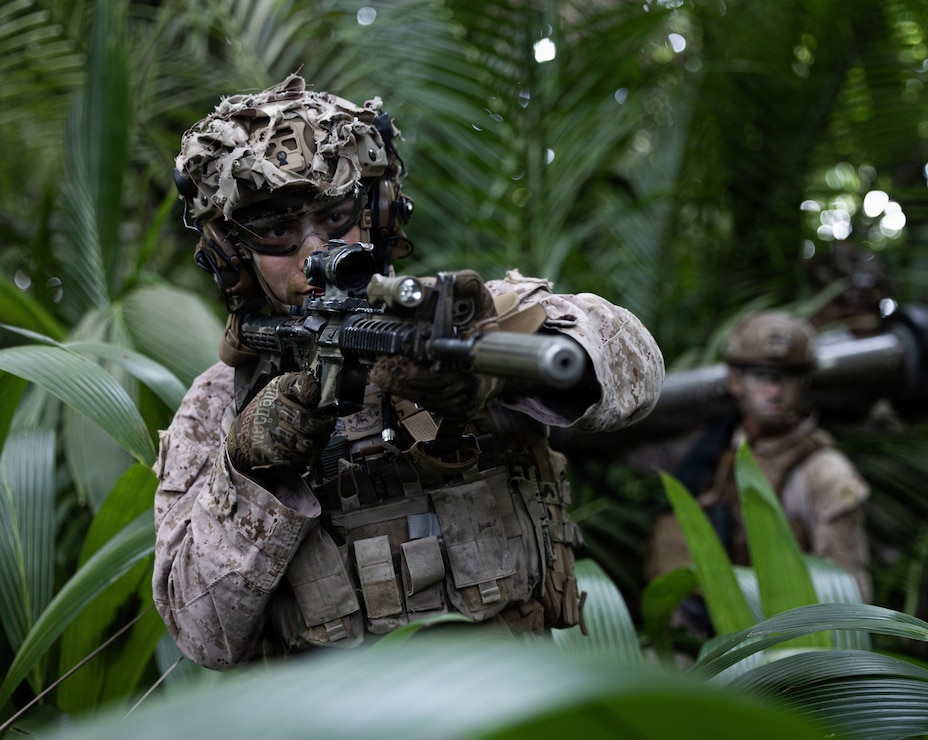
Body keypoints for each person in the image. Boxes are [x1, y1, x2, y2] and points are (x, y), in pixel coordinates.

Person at [152, 74, 665, 670]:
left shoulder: (459, 320)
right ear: (232, 252)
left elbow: (635, 366)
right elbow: (201, 633)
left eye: (337, 216)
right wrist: (249, 471)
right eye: (276, 232)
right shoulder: (220, 400)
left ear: (377, 213)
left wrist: (499, 363)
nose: (315, 253)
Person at [644, 310, 872, 605]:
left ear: (803, 384)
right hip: (704, 630)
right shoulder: (710, 448)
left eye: (785, 378)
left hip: (787, 635)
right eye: (760, 376)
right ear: (735, 381)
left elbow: (849, 593)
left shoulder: (826, 473)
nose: (773, 390)